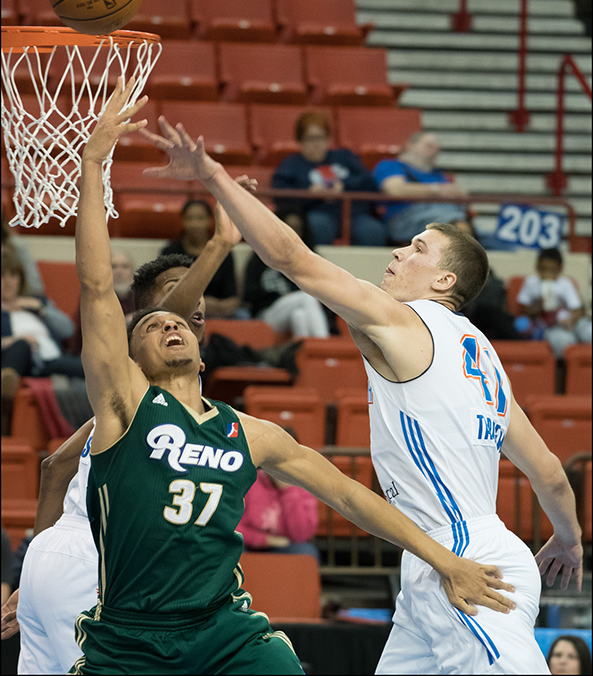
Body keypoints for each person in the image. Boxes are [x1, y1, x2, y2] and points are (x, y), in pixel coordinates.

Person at [70, 80, 516, 674]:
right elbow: (96, 285)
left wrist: (445, 560)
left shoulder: (251, 433)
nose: (170, 324)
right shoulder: (123, 405)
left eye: (179, 322)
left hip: (224, 631)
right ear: (130, 361)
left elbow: (350, 497)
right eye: (151, 325)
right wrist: (93, 165)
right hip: (131, 636)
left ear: (203, 356)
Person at [141, 115, 585, 675]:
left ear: (444, 282)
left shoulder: (406, 321)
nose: (398, 252)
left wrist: (213, 175)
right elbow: (549, 473)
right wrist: (568, 540)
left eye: (417, 248)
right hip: (436, 559)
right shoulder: (486, 363)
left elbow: (293, 259)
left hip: (466, 561)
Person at [2, 211, 247, 674]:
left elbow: (55, 468)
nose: (194, 300)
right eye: (180, 289)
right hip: (102, 559)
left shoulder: (145, 399)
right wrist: (218, 247)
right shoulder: (136, 370)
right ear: (146, 314)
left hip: (63, 555)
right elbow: (165, 308)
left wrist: (38, 566)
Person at [272, 111, 386, 247]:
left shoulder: (345, 157)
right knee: (317, 226)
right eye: (310, 138)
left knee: (373, 231)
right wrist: (309, 193)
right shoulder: (291, 165)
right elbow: (280, 196)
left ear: (328, 139)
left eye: (320, 137)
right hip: (316, 213)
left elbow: (368, 181)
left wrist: (344, 186)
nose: (316, 144)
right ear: (300, 141)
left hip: (352, 215)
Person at [243, 209, 330, 338]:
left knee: (299, 316)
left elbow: (325, 294)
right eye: (289, 228)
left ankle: (308, 350)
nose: (293, 233)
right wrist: (279, 297)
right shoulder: (259, 258)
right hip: (268, 313)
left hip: (297, 309)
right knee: (307, 298)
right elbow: (250, 294)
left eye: (298, 229)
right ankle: (325, 346)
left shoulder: (311, 259)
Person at [1, 246, 84, 383]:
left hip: (50, 359)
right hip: (21, 359)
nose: (8, 282)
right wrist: (16, 340)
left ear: (21, 279)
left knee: (92, 366)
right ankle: (6, 383)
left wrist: (41, 310)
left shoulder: (37, 302)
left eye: (13, 275)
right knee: (22, 345)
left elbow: (68, 329)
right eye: (3, 276)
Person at [237, 427, 320, 562]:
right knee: (231, 548)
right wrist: (266, 540)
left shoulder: (304, 485)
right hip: (249, 545)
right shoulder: (248, 479)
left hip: (286, 547)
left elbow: (301, 535)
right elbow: (234, 527)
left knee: (306, 552)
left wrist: (288, 491)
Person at [373, 131, 468, 244]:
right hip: (406, 218)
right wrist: (437, 190)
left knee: (462, 228)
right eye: (429, 146)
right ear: (410, 145)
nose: (434, 151)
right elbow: (395, 189)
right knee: (458, 228)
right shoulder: (391, 165)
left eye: (437, 149)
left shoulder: (439, 174)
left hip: (446, 215)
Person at [161, 199, 240, 318]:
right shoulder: (170, 252)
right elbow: (163, 294)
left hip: (218, 313)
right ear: (183, 220)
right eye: (190, 218)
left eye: (200, 218)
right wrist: (199, 303)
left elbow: (233, 299)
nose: (195, 224)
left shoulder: (223, 253)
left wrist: (217, 306)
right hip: (180, 313)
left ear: (210, 220)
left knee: (243, 316)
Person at [451, 218, 520, 341]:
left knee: (493, 313)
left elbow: (495, 289)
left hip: (482, 313)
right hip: (456, 312)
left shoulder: (481, 263)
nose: (466, 240)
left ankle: (520, 347)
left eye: (468, 235)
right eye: (461, 235)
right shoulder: (440, 263)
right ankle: (520, 345)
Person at [516, 248, 592, 358]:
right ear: (537, 266)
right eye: (544, 269)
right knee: (563, 341)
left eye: (552, 270)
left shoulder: (565, 284)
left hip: (570, 323)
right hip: (550, 328)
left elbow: (577, 309)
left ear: (559, 269)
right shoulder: (531, 283)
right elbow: (522, 309)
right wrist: (540, 306)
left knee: (589, 331)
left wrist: (571, 320)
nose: (547, 274)